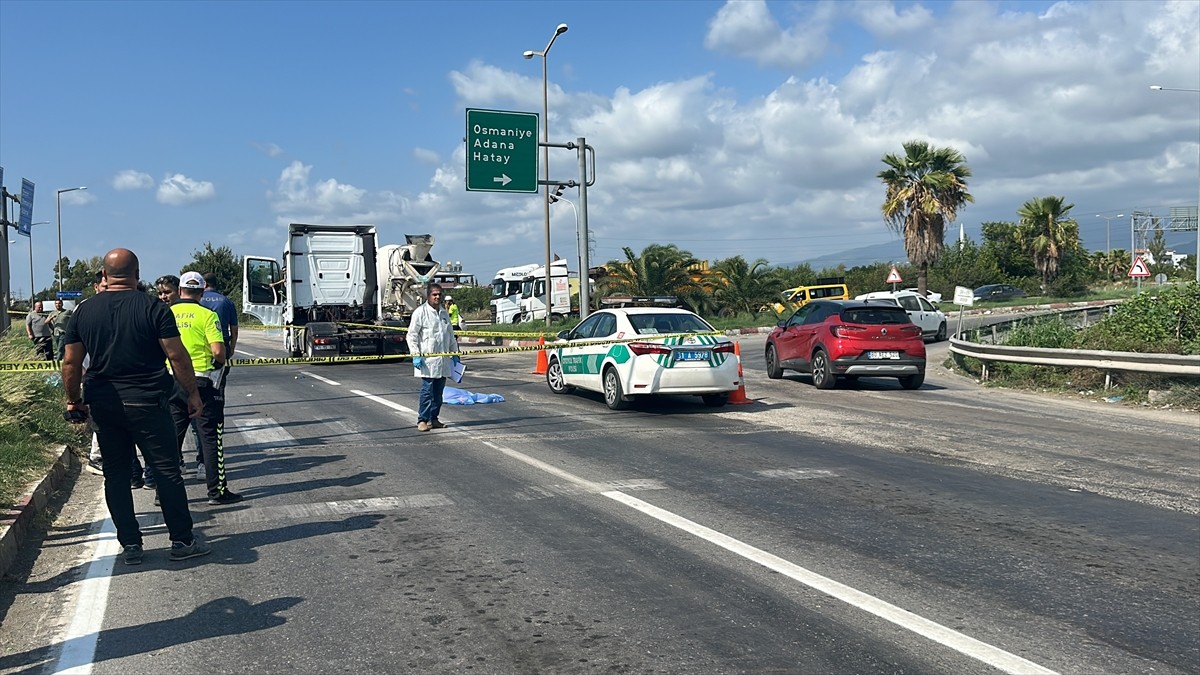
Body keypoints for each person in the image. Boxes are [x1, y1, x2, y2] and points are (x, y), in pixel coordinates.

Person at [61, 248, 210, 564]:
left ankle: (130, 544)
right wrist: (192, 394)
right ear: (137, 274)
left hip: (104, 403)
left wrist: (74, 401)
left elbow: (71, 362)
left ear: (104, 275)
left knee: (115, 475)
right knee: (166, 470)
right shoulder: (154, 307)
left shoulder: (84, 312)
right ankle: (182, 541)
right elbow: (177, 356)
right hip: (149, 402)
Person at [173, 271, 242, 505]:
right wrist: (219, 363)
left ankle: (164, 494)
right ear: (202, 292)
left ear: (180, 290)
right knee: (211, 438)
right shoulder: (207, 315)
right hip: (202, 382)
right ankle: (217, 491)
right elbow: (218, 352)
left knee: (172, 438)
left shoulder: (166, 314)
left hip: (171, 383)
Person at [406, 283, 460, 432]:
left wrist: (454, 352)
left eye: (439, 294)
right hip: (427, 361)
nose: (437, 297)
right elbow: (412, 336)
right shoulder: (420, 312)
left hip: (443, 360)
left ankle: (433, 419)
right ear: (428, 296)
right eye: (434, 294)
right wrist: (416, 355)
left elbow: (450, 335)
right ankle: (422, 420)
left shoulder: (444, 313)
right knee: (427, 392)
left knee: (438, 393)